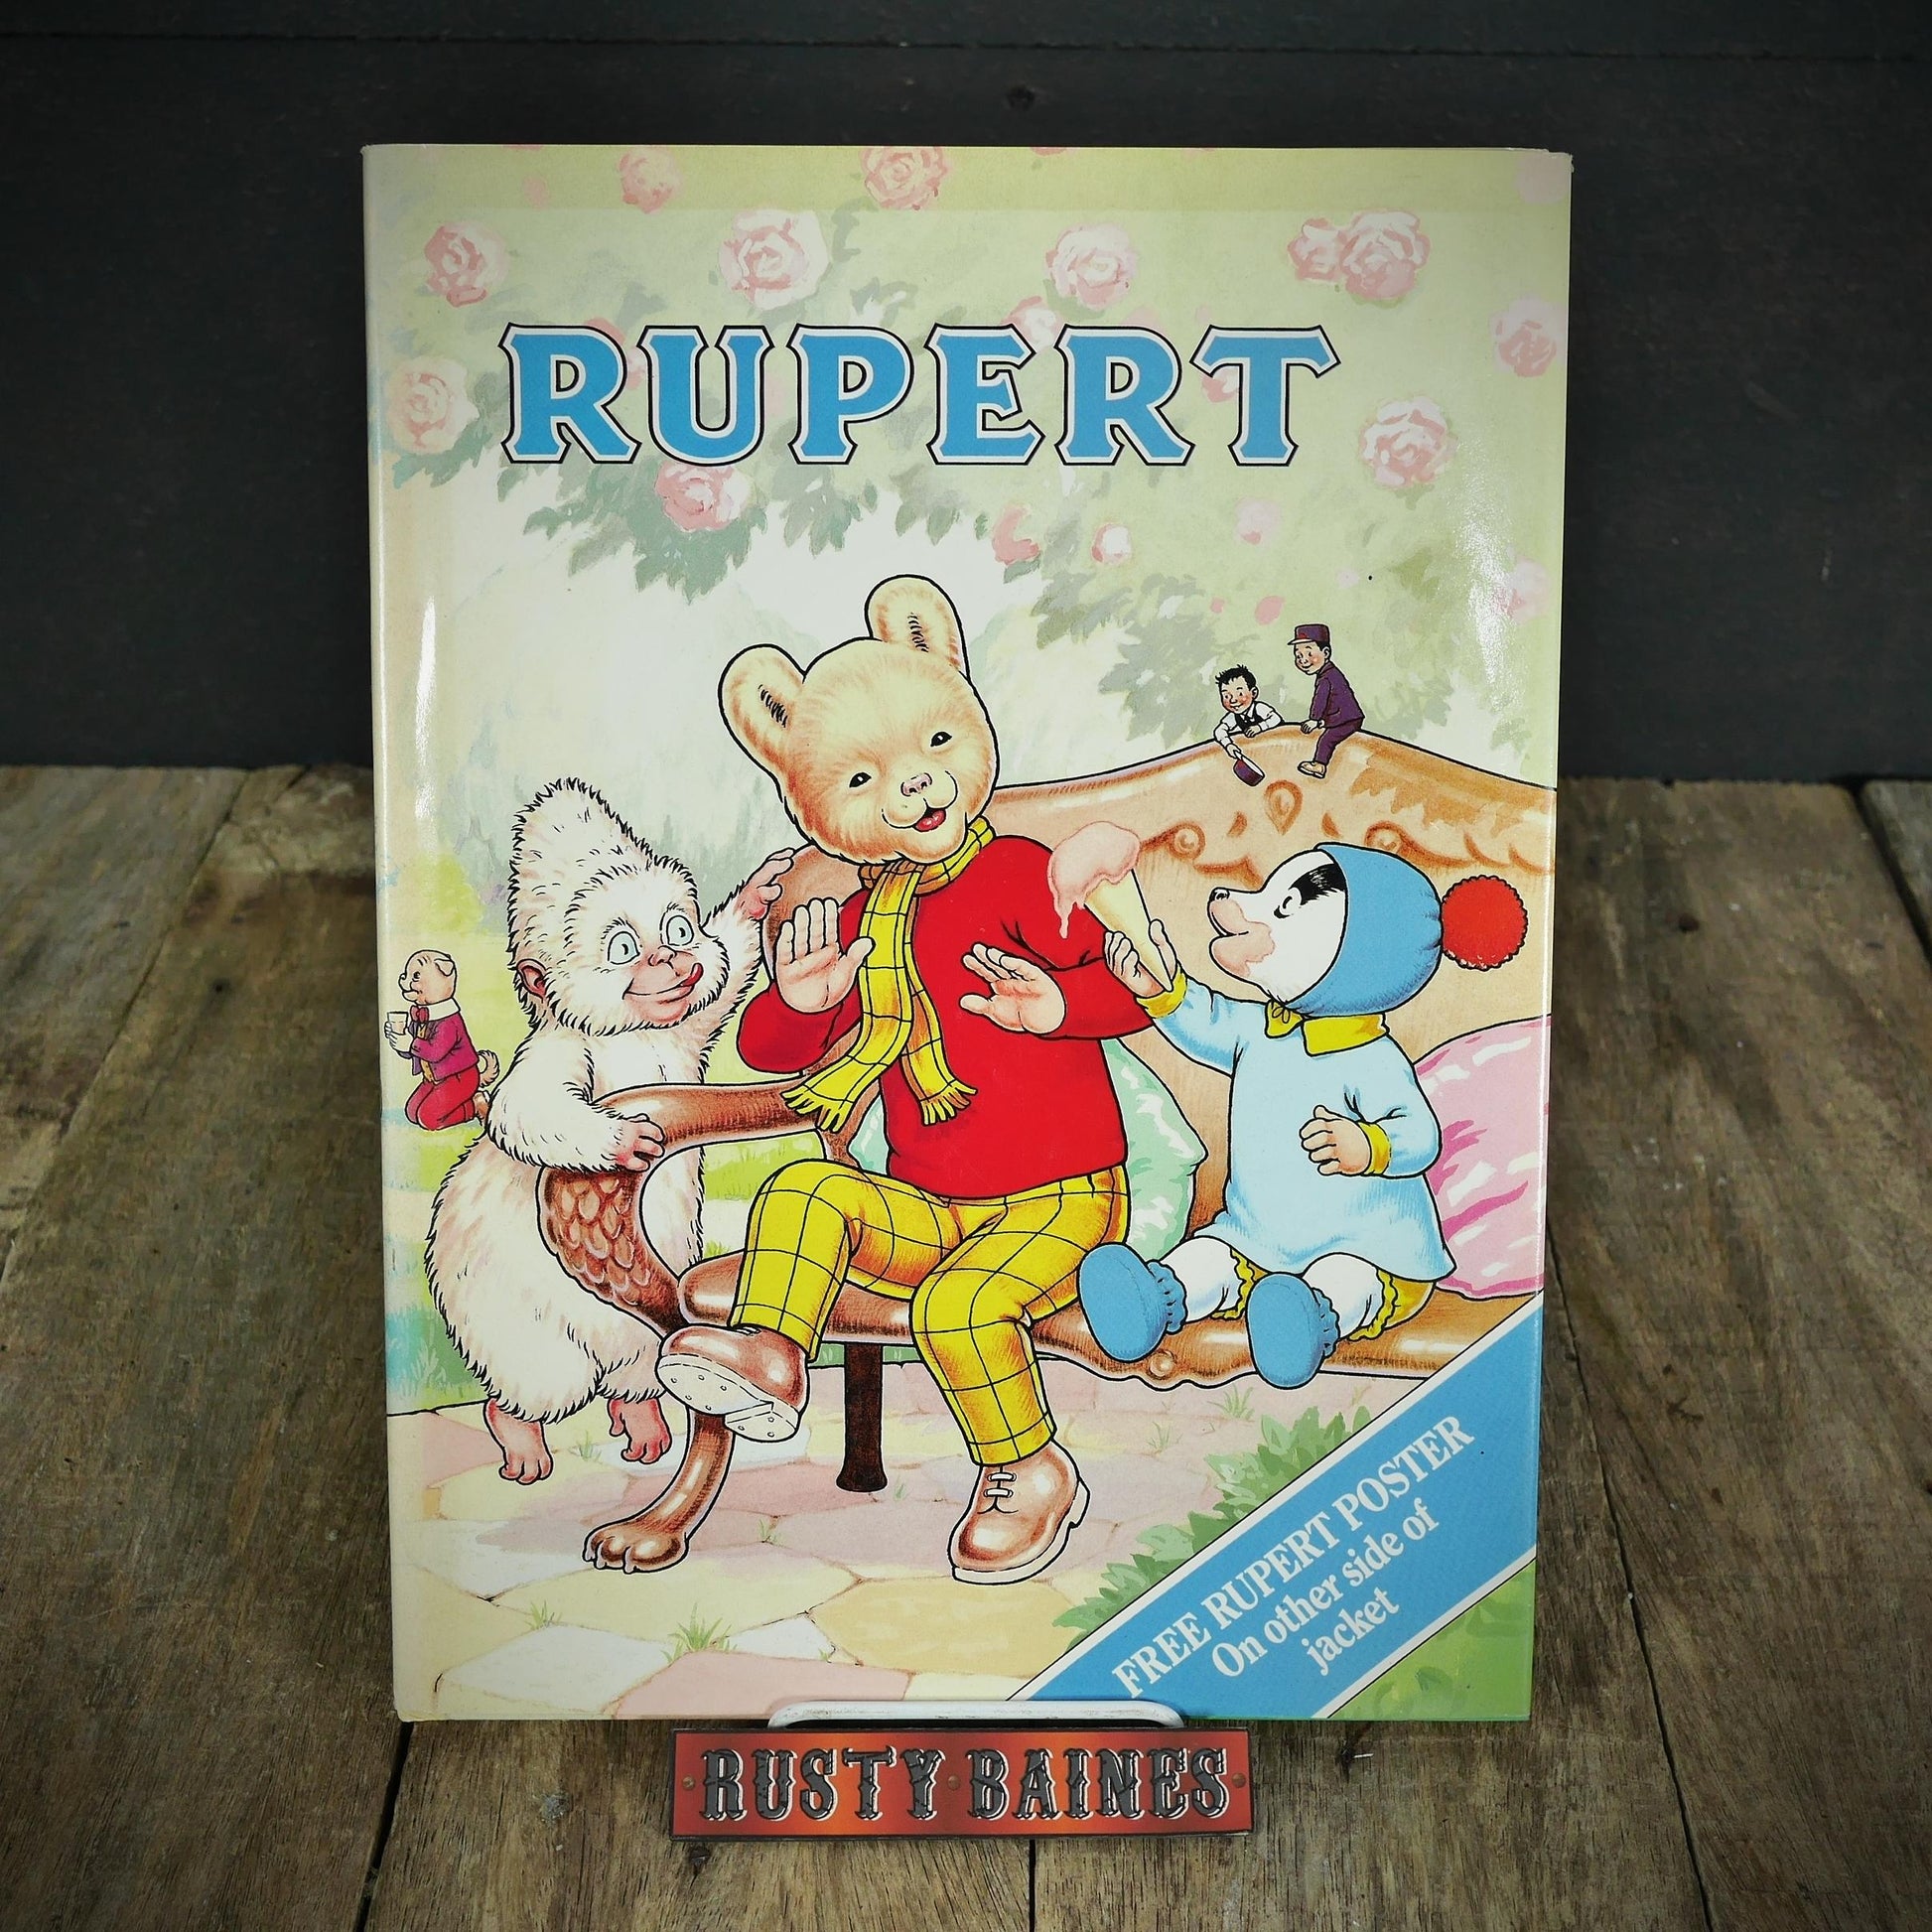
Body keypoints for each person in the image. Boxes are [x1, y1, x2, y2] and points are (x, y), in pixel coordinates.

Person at [1291, 623, 1364, 778]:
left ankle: (1319, 766)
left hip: (1346, 719)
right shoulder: (1329, 672)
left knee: (1326, 740)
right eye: (1298, 656)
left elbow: (1320, 700)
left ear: (1326, 653)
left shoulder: (1327, 677)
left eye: (1309, 654)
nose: (1303, 660)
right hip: (1340, 717)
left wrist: (1314, 720)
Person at [1212, 664, 1284, 762]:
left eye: (1240, 694)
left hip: (1277, 745)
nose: (1233, 700)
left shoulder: (1259, 708)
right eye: (1226, 696)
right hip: (1259, 752)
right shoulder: (1233, 716)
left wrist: (1259, 727)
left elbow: (1275, 719)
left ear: (1253, 693)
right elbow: (1219, 731)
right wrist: (1228, 745)